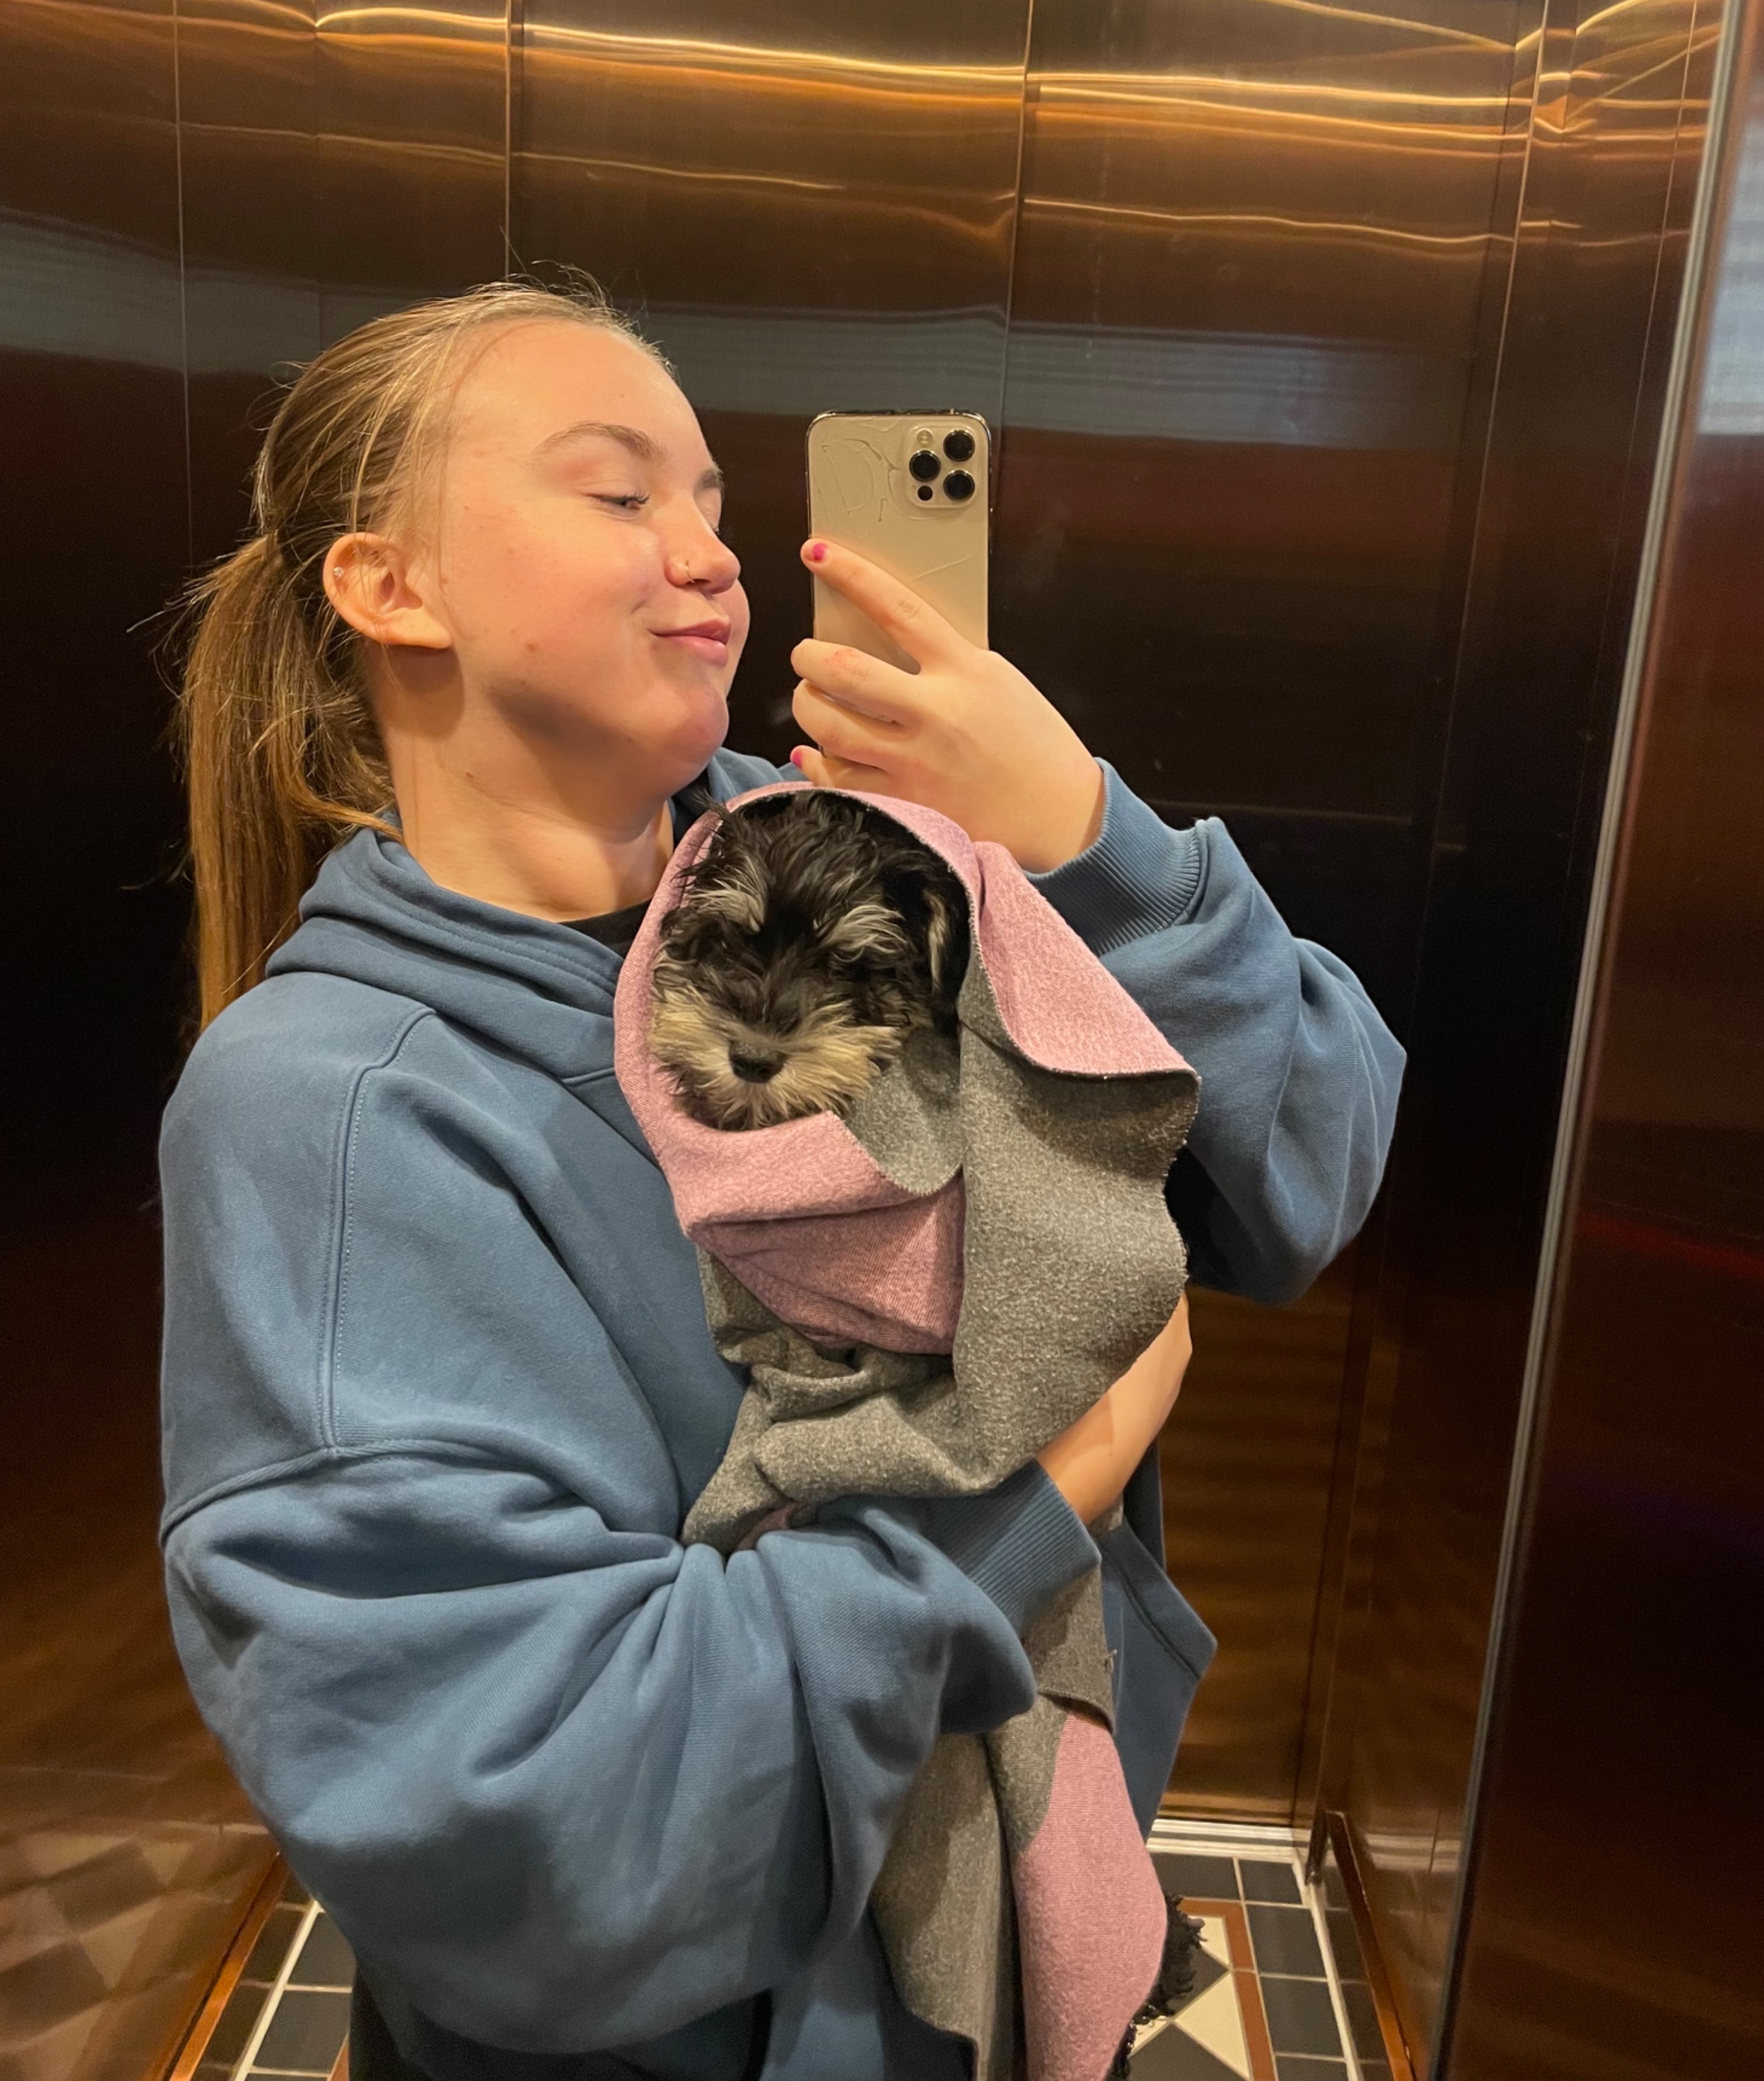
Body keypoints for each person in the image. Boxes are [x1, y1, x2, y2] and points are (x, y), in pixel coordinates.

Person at [161, 280, 1404, 2081]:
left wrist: (1083, 838)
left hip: (1009, 1931)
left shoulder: (834, 861)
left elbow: (1306, 1170)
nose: (710, 558)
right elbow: (548, 1841)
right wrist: (1044, 1487)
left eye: (713, 503)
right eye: (619, 494)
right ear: (388, 586)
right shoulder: (334, 1116)